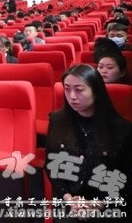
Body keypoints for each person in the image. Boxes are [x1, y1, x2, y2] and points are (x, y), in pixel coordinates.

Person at [45, 64, 132, 219]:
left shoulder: (121, 130)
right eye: (67, 89)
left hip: (108, 202)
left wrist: (96, 205)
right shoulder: (57, 121)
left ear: (96, 91)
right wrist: (69, 199)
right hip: (69, 199)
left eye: (79, 90)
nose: (72, 96)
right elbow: (51, 165)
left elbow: (126, 178)